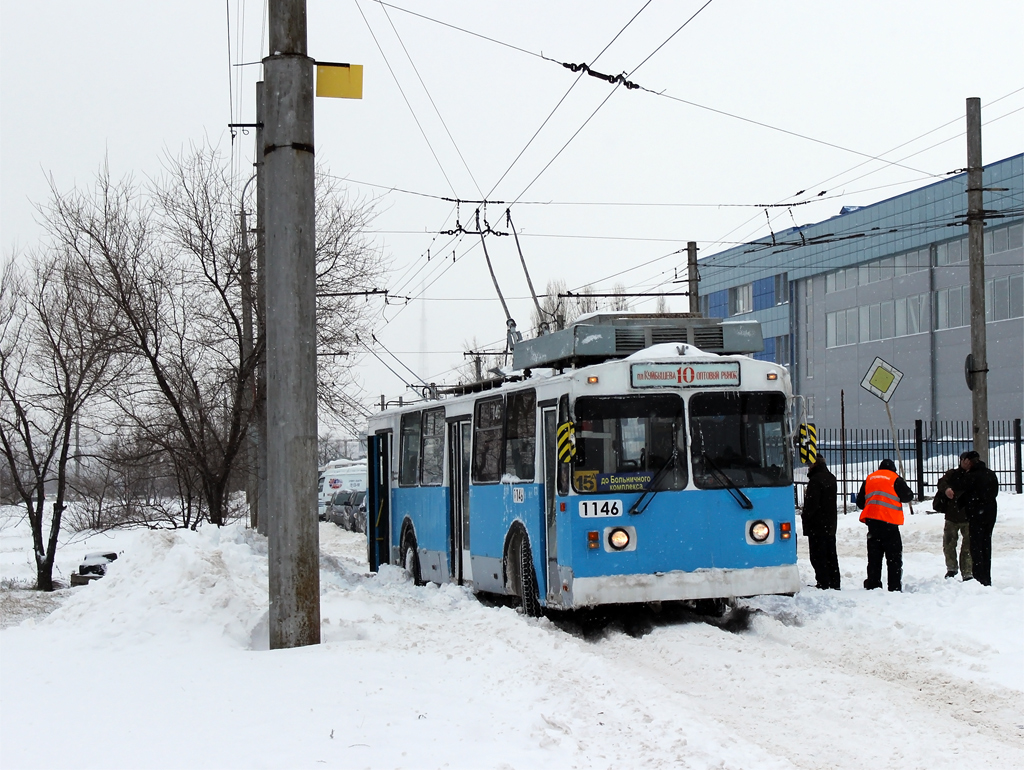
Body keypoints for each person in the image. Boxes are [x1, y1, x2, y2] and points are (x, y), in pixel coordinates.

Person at [856, 459, 914, 591]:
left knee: (874, 558)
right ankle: (894, 586)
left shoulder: (869, 479)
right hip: (890, 524)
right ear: (893, 469)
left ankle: (873, 583)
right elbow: (908, 496)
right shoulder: (895, 478)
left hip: (873, 525)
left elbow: (860, 502)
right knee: (894, 558)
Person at [947, 450, 999, 586]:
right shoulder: (990, 474)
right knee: (986, 544)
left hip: (977, 514)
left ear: (968, 462)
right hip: (990, 513)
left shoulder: (972, 476)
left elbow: (957, 484)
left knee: (975, 546)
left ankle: (979, 578)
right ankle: (987, 577)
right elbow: (995, 492)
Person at [801, 456, 841, 590]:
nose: (808, 467)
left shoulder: (815, 480)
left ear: (814, 464)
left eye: (809, 464)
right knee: (831, 554)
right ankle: (834, 582)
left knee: (818, 555)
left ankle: (823, 582)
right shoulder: (830, 477)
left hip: (817, 524)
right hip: (830, 523)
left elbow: (812, 504)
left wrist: (805, 517)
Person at [934, 461, 971, 581]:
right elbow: (941, 483)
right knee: (949, 544)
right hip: (952, 516)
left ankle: (967, 572)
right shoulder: (952, 474)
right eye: (965, 461)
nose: (967, 464)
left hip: (968, 517)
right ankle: (951, 568)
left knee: (968, 547)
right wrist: (946, 490)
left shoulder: (974, 475)